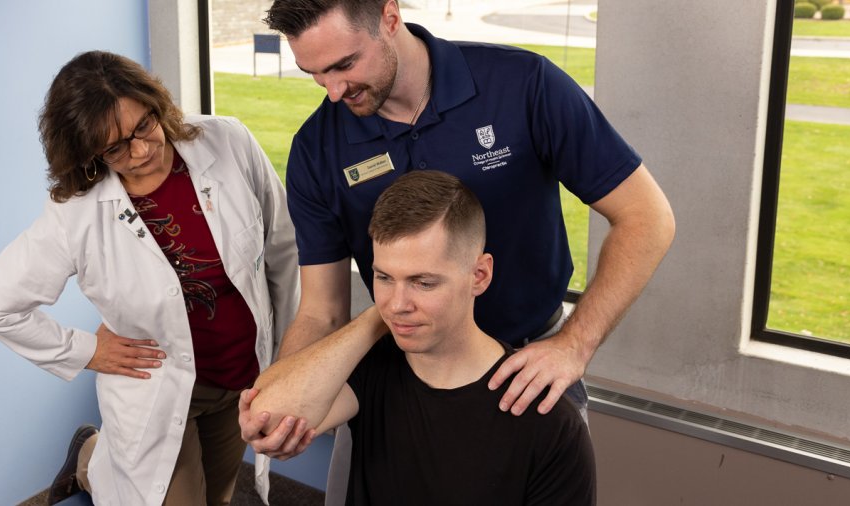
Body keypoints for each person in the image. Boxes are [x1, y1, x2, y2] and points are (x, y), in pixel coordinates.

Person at [242, 0, 674, 465]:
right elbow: (322, 311)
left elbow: (646, 217)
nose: (333, 90)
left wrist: (574, 344)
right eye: (315, 73)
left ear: (390, 18)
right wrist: (284, 404)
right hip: (396, 373)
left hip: (526, 370)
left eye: (345, 64)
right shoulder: (317, 148)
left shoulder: (524, 85)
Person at [0, 51, 298, 506]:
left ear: (156, 104)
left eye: (144, 125)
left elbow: (282, 246)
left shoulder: (227, 142)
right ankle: (91, 460)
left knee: (219, 498)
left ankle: (90, 454)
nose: (141, 150)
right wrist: (88, 350)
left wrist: (290, 355)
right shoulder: (76, 215)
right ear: (87, 153)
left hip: (241, 376)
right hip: (159, 393)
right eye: (115, 147)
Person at [250, 171, 595, 504]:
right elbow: (266, 417)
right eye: (384, 277)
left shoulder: (551, 423)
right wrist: (377, 317)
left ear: (479, 275)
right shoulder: (371, 366)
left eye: (423, 282)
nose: (398, 304)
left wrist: (390, 302)